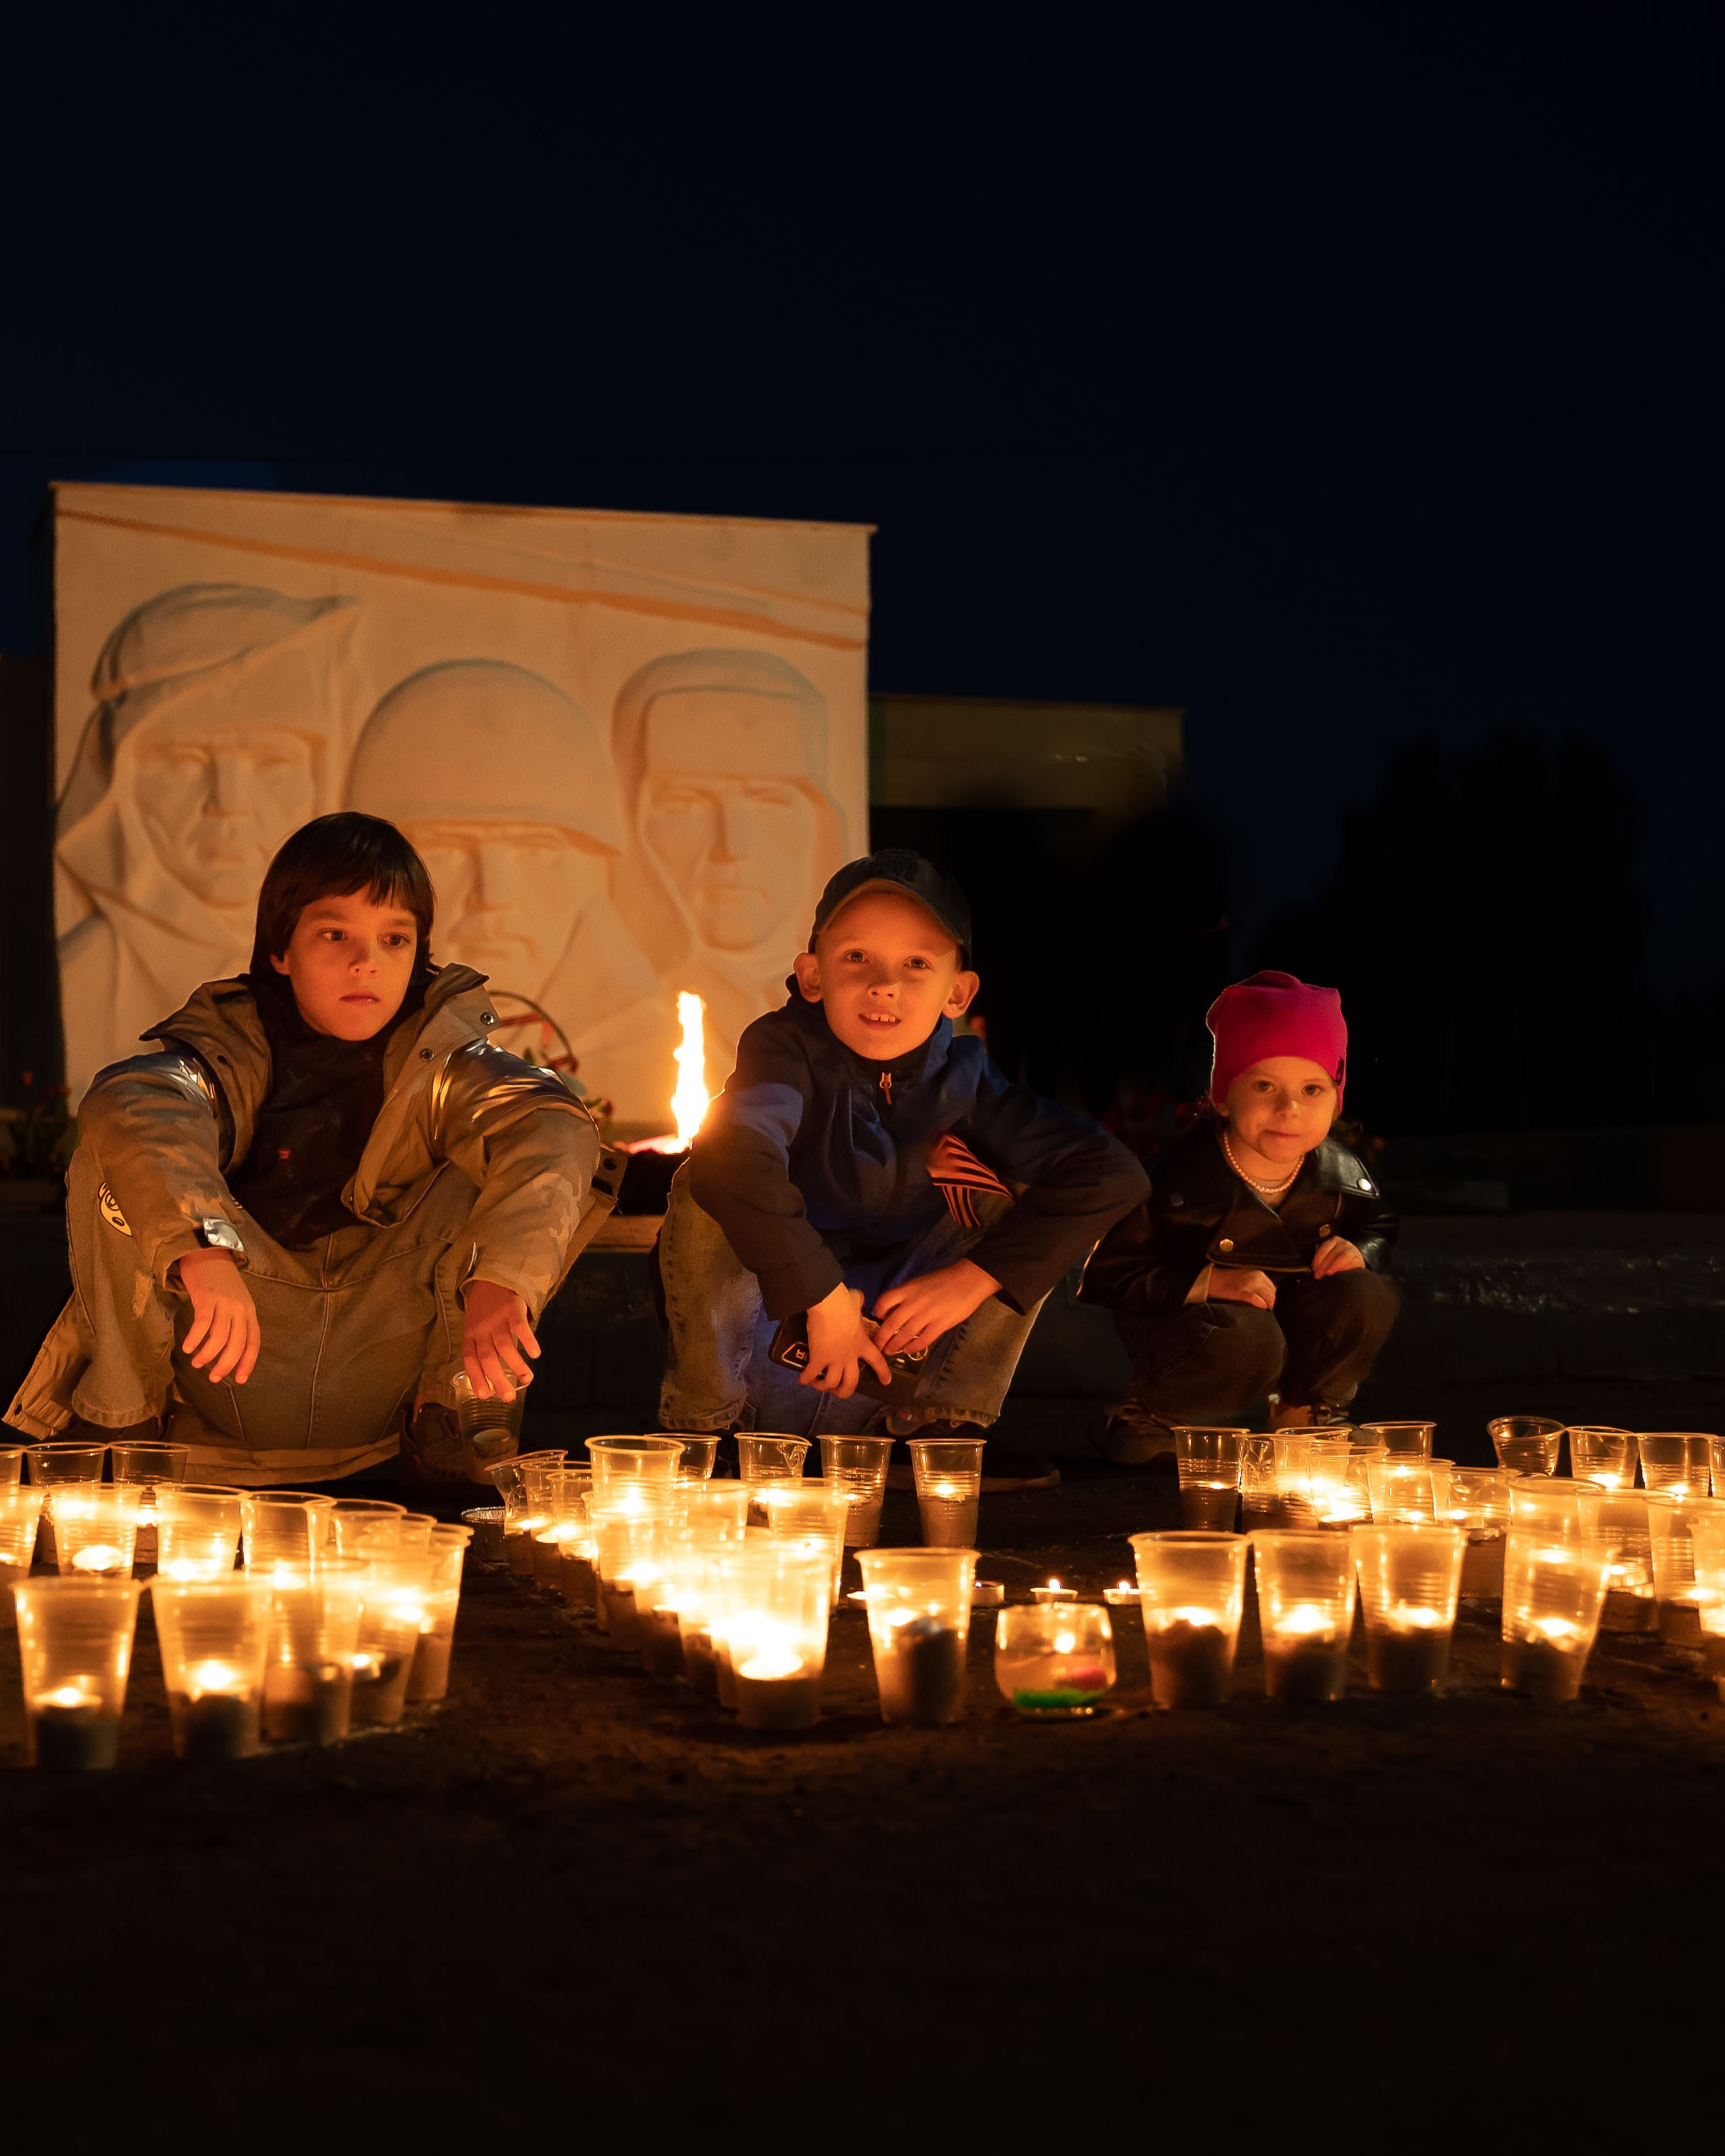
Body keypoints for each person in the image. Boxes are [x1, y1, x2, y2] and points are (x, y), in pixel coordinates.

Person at [7, 813, 610, 1493]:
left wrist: (502, 1280)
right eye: (335, 934)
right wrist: (202, 1245)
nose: (367, 962)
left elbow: (549, 1121)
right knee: (116, 1165)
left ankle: (455, 1423)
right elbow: (135, 1101)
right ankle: (122, 1430)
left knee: (511, 1156)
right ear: (280, 950)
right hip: (237, 1357)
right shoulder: (231, 1048)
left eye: (394, 939)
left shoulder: (444, 1066)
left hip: (378, 1352)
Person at [655, 849, 1150, 1488]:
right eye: (856, 957)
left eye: (916, 963)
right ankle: (702, 1436)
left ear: (957, 993)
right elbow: (734, 1156)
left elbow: (1111, 1172)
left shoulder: (964, 1081)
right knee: (710, 1178)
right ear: (812, 977)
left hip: (893, 1378)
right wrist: (821, 1296)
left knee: (1013, 1196)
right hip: (768, 1371)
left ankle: (947, 1431)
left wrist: (974, 1279)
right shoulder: (780, 1053)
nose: (883, 984)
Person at [54, 583, 357, 1107]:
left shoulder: (353, 968)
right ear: (124, 783)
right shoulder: (86, 980)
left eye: (271, 763)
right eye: (187, 762)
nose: (229, 803)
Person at [1080, 971, 1399, 1461]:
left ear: (1336, 1101)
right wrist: (1206, 1281)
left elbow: (1376, 1226)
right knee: (1247, 1338)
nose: (1289, 1108)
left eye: (1312, 1089)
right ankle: (1154, 1413)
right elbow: (1109, 1273)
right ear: (1223, 1097)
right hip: (1200, 1333)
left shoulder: (1341, 1174)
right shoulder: (1172, 1181)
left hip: (1291, 1316)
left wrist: (1358, 1250)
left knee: (1366, 1293)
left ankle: (1305, 1410)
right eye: (1265, 1085)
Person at [345, 661, 670, 1118]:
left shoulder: (646, 1050)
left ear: (593, 869)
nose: (492, 894)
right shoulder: (337, 1041)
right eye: (447, 849)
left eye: (532, 849)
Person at [609, 648, 851, 1114]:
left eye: (770, 803)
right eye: (687, 804)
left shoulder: (868, 1018)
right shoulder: (609, 1030)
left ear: (818, 823)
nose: (733, 846)